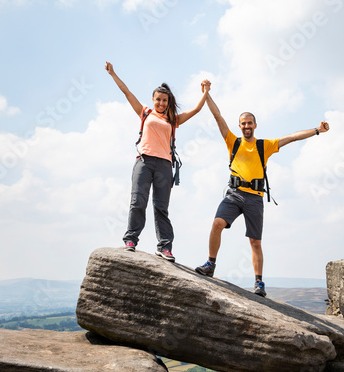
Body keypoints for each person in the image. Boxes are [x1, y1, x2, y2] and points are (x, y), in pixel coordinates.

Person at [194, 92, 329, 296]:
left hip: (254, 198)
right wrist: (206, 94)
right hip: (234, 194)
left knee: (255, 242)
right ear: (239, 126)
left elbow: (292, 137)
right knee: (217, 224)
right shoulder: (233, 142)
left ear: (255, 125)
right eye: (243, 123)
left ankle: (258, 283)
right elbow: (218, 116)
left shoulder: (263, 146)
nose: (246, 126)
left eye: (250, 123)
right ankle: (210, 264)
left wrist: (317, 130)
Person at [106, 61, 210, 262]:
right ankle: (131, 240)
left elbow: (196, 110)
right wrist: (113, 74)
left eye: (164, 100)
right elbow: (127, 92)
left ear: (168, 102)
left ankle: (164, 247)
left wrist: (205, 91)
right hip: (144, 162)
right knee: (138, 202)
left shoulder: (173, 120)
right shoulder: (145, 112)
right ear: (153, 100)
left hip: (164, 166)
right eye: (158, 100)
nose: (161, 103)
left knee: (161, 207)